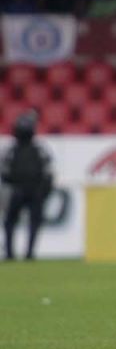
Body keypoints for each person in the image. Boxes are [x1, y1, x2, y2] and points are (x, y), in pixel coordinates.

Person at [2, 111, 53, 261]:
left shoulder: (35, 150)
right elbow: (48, 172)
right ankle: (13, 253)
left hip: (26, 191)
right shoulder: (15, 150)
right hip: (19, 190)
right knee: (13, 222)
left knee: (28, 222)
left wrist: (43, 191)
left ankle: (27, 253)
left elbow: (48, 173)